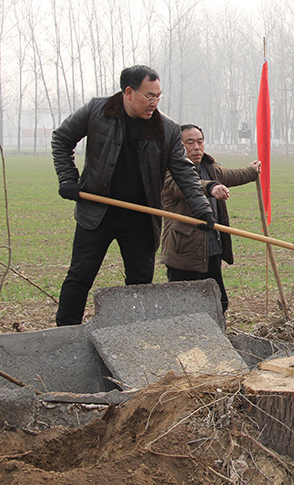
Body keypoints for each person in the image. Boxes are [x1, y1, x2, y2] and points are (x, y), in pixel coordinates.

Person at [52, 65, 215, 326]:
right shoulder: (97, 111)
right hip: (97, 212)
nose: (154, 102)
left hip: (141, 217)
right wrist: (68, 178)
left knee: (140, 283)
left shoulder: (167, 129)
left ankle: (134, 334)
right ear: (128, 92)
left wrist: (202, 209)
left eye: (158, 96)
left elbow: (184, 173)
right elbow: (61, 139)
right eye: (149, 95)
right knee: (80, 275)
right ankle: (65, 333)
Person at [160, 124, 260, 312]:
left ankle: (217, 339)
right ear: (178, 146)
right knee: (183, 305)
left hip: (211, 249)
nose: (196, 147)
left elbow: (231, 175)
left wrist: (251, 171)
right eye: (189, 142)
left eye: (200, 141)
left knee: (218, 303)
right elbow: (185, 186)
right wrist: (210, 187)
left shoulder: (209, 167)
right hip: (184, 251)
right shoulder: (169, 170)